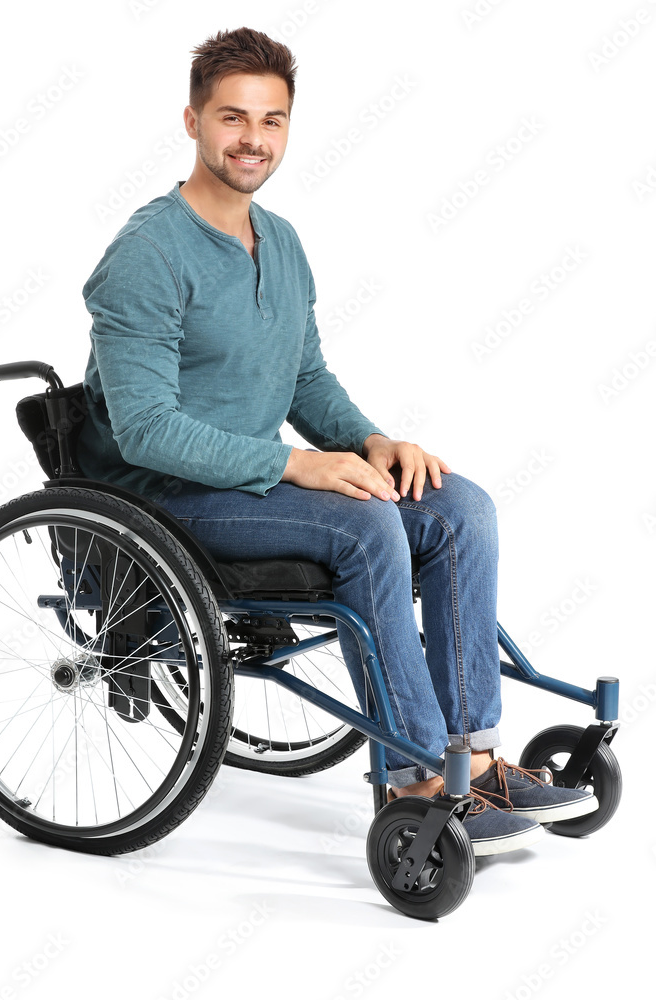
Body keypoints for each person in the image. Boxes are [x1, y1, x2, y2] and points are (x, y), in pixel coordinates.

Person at [77, 26, 596, 856]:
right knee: (362, 524)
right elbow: (144, 430)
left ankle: (476, 755)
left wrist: (372, 440)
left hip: (256, 482)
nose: (253, 139)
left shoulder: (279, 242)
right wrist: (298, 464)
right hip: (167, 499)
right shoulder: (148, 253)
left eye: (272, 120)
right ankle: (419, 781)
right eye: (233, 117)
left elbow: (304, 379)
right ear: (192, 121)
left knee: (457, 507)